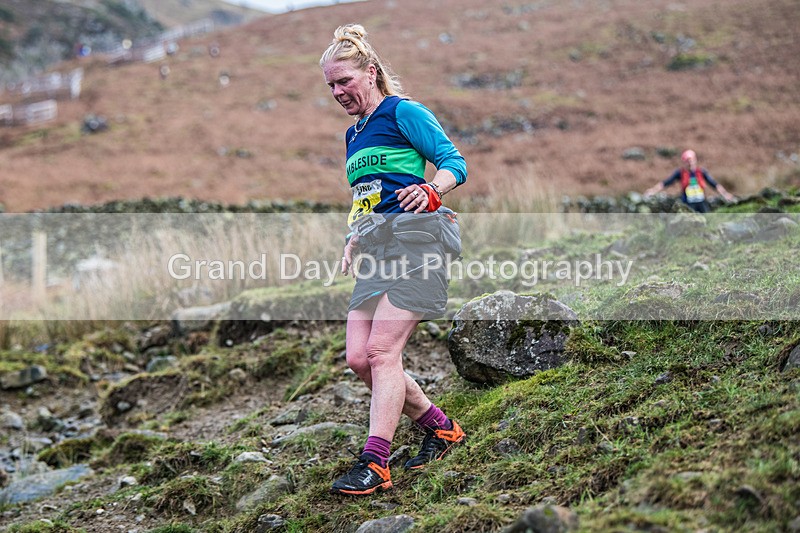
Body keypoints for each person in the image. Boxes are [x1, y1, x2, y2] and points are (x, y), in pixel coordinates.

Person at [320, 24, 467, 496]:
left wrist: (432, 189)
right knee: (358, 358)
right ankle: (441, 429)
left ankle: (375, 463)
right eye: (331, 85)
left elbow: (454, 163)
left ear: (371, 72)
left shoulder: (404, 112)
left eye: (344, 80)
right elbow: (367, 197)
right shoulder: (353, 135)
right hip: (376, 252)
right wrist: (353, 237)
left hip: (418, 245)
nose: (338, 92)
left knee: (382, 352)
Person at [644, 149, 736, 213]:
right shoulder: (680, 173)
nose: (690, 163)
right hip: (688, 204)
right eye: (687, 161)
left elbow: (714, 184)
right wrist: (653, 190)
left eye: (691, 160)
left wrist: (725, 194)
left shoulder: (701, 172)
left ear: (695, 160)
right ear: (684, 162)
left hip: (701, 203)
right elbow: (666, 183)